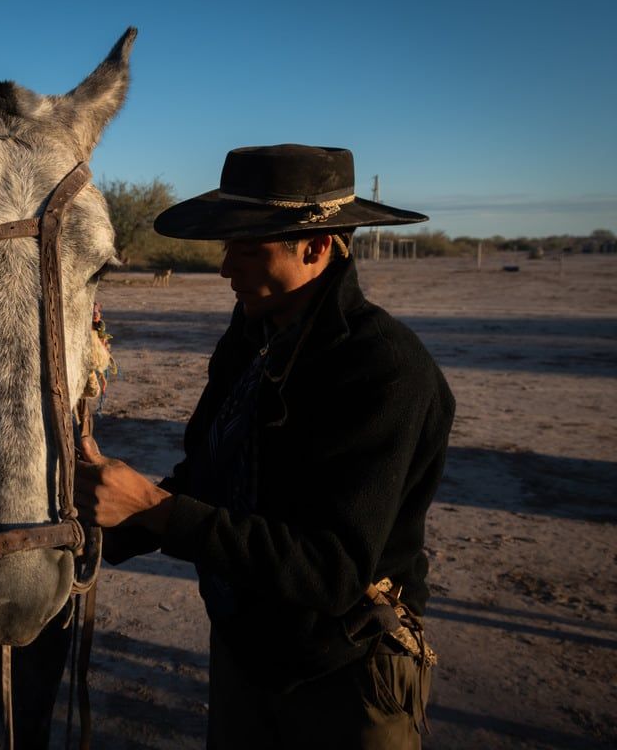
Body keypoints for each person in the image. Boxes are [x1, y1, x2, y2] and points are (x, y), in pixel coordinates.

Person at [75, 144, 455, 748]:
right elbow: (207, 479)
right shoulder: (252, 337)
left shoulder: (385, 369)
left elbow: (332, 571)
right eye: (227, 246)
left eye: (247, 247)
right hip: (245, 653)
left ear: (316, 247)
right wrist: (104, 523)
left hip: (345, 674)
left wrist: (152, 508)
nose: (226, 267)